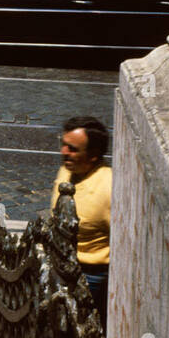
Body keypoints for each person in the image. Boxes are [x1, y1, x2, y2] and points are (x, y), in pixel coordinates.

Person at [52, 115, 112, 325]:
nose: (64, 153)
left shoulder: (109, 187)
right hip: (58, 265)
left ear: (93, 156)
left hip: (91, 278)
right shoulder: (67, 170)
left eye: (73, 149)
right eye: (64, 145)